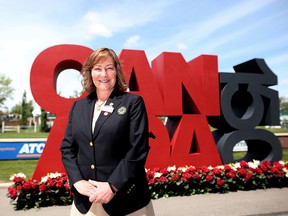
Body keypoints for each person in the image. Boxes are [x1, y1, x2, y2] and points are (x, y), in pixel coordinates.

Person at [60, 48, 155, 216]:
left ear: (116, 72)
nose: (104, 74)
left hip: (126, 200)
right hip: (86, 202)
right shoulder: (78, 107)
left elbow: (137, 149)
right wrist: (77, 181)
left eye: (109, 68)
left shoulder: (132, 103)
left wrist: (112, 185)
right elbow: (68, 149)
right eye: (98, 68)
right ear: (90, 73)